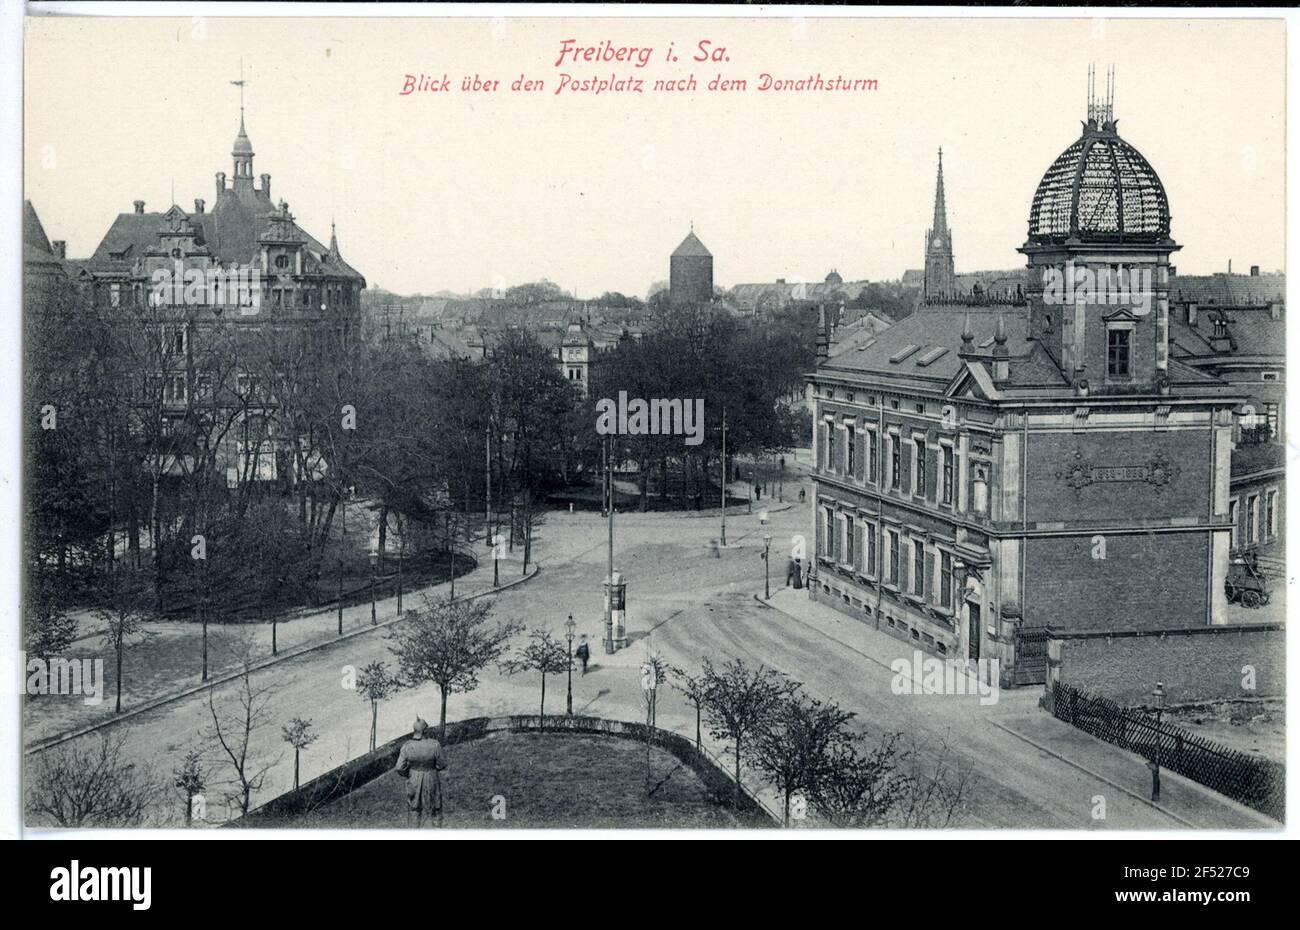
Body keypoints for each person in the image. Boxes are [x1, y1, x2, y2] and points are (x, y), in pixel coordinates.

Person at [394, 717, 448, 827]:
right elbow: (442, 764)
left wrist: (409, 773)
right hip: (431, 777)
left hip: (413, 778)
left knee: (414, 808)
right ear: (424, 731)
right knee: (436, 808)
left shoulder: (407, 746)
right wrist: (433, 768)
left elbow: (399, 767)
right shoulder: (435, 744)